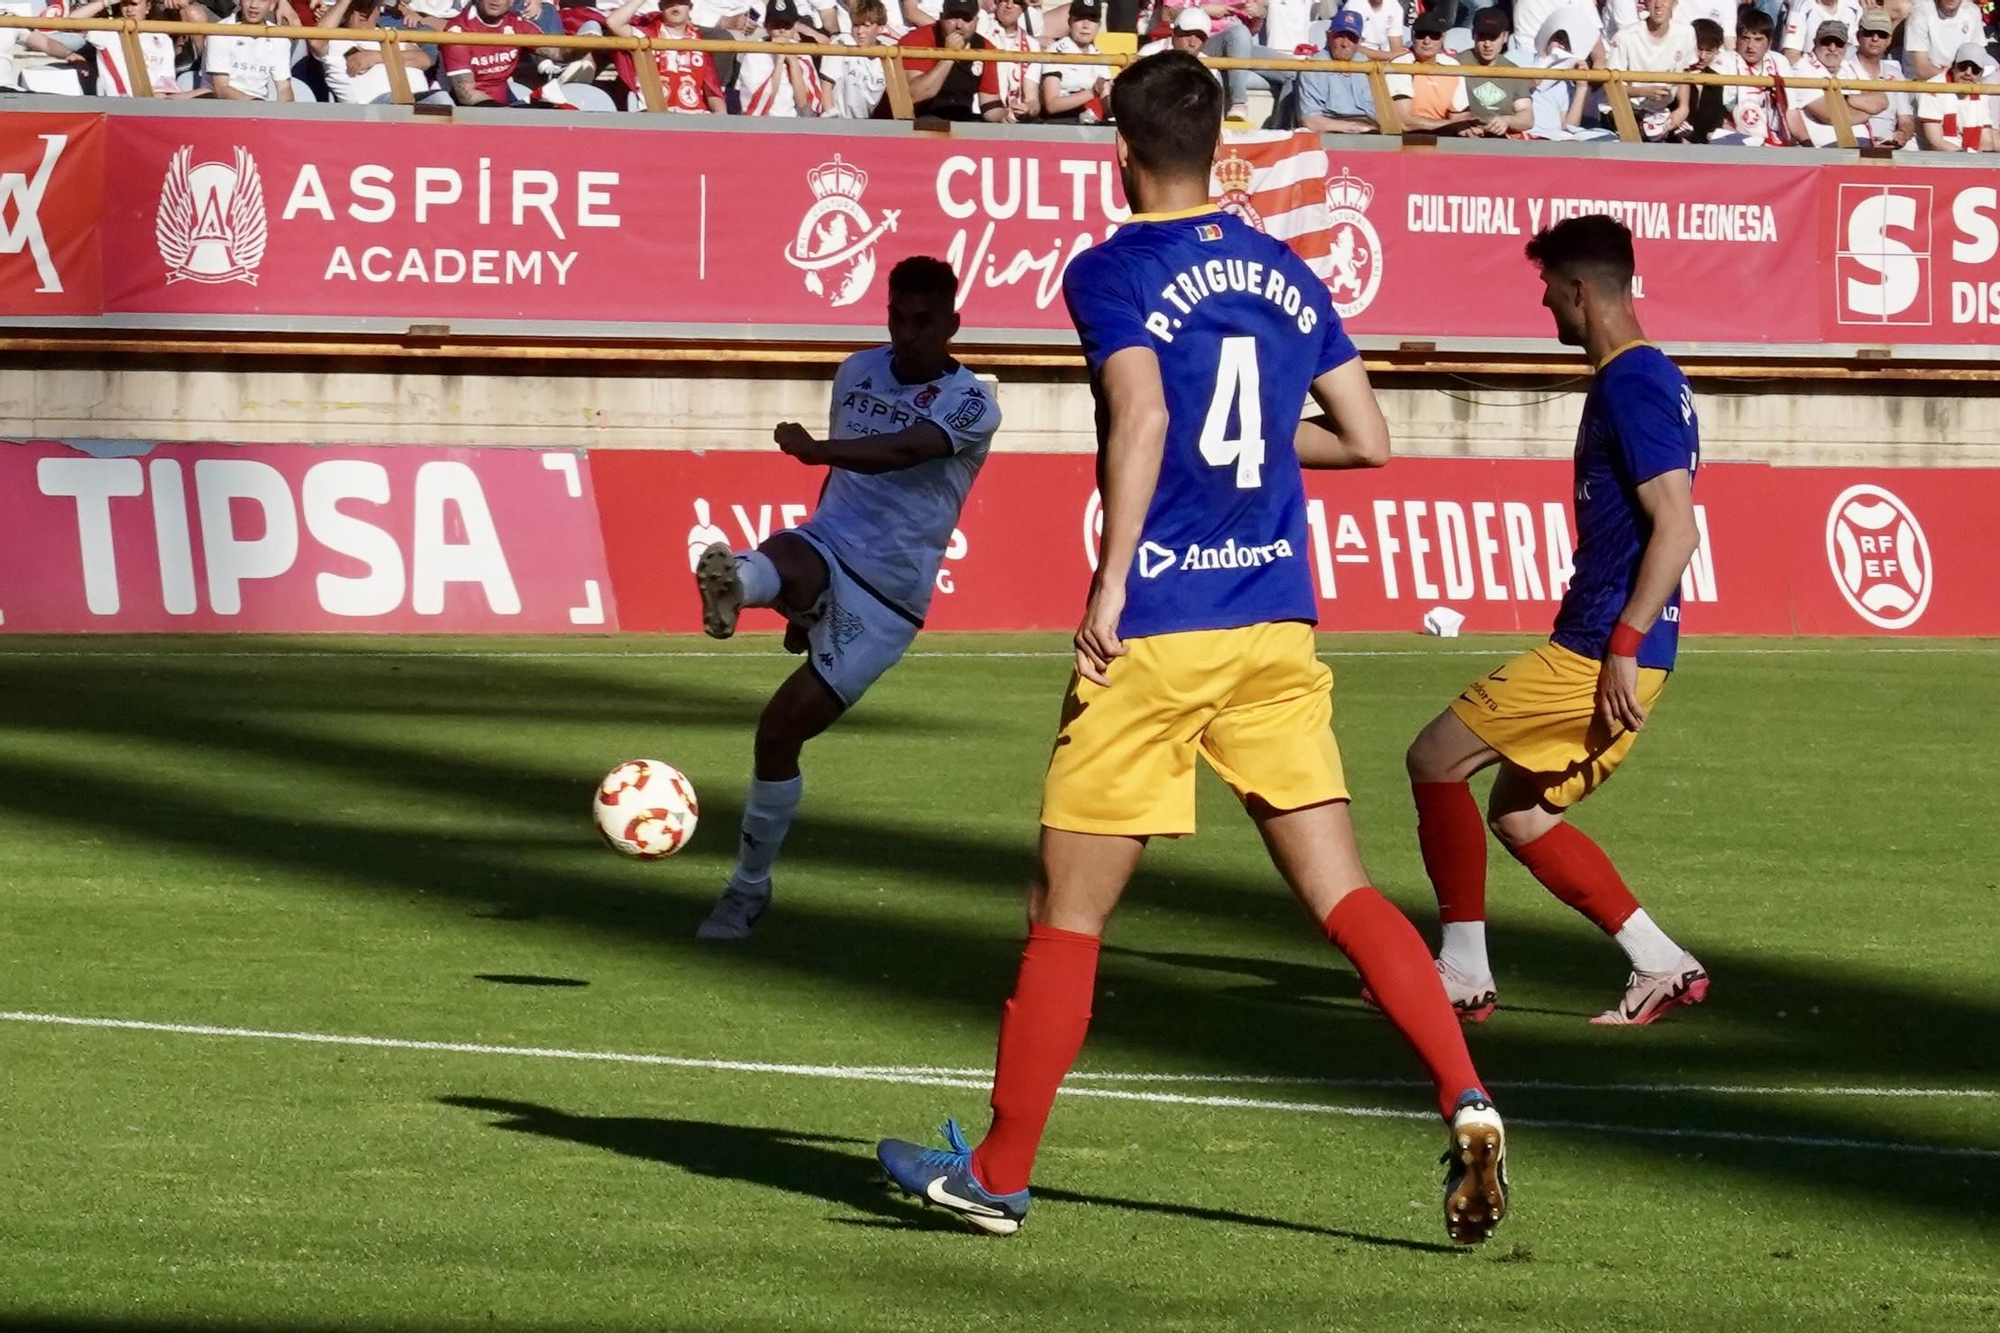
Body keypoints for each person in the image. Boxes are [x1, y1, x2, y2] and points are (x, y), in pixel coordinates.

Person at [874, 49, 1510, 1248]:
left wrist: (1109, 580)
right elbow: (1366, 440)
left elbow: (1144, 411)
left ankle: (998, 1174)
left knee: (1064, 908)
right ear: (1221, 147)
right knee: (1341, 890)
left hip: (1162, 627)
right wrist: (1262, 440)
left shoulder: (1110, 267)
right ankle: (1463, 1092)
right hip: (1272, 620)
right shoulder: (1285, 269)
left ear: (1117, 152)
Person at [1399, 214, 1707, 1031]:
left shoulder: (1633, 382)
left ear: (1579, 290)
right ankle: (1660, 961)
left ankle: (1463, 970)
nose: (1546, 310)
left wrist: (1623, 645)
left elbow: (1678, 528)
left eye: (1548, 293)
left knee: (1433, 757)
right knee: (1520, 813)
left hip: (1599, 647)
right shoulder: (1648, 376)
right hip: (1614, 642)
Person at [690, 257, 999, 941]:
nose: (906, 333)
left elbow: (905, 451)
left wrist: (816, 449)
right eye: (897, 317)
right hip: (831, 541)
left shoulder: (973, 402)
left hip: (890, 595)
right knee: (788, 549)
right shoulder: (857, 370)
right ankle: (742, 585)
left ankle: (748, 884)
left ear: (952, 324)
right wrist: (807, 600)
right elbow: (843, 483)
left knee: (780, 732)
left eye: (923, 321)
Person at [888, 0, 1011, 120]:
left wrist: (1005, 115)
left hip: (962, 117)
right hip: (917, 118)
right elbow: (913, 95)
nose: (959, 25)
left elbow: (989, 103)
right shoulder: (917, 40)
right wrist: (948, 57)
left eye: (966, 19)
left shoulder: (984, 47)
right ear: (941, 17)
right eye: (953, 17)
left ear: (976, 21)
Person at [610, 0, 726, 113]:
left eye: (681, 2)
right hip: (653, 114)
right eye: (669, 2)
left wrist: (720, 113)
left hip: (695, 115)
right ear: (661, 6)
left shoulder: (700, 42)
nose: (675, 5)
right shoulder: (645, 36)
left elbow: (712, 90)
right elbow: (614, 23)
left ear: (690, 7)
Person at [1788, 21, 1886, 144]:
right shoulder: (1802, 68)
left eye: (1839, 43)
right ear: (1815, 42)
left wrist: (1846, 99)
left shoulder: (1850, 66)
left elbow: (1881, 101)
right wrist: (1867, 111)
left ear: (1846, 46)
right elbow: (1831, 115)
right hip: (1826, 147)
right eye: (1826, 42)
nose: (1832, 48)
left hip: (1863, 143)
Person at [1390, 9, 1473, 131]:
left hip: (1447, 133)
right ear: (1413, 36)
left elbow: (1460, 116)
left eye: (1434, 35)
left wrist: (1462, 127)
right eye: (1421, 34)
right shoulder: (1400, 65)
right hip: (1410, 136)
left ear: (1443, 37)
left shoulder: (1452, 66)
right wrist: (1452, 125)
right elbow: (1405, 122)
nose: (1427, 41)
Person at [738, 0, 826, 113]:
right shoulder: (755, 54)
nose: (782, 30)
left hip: (794, 120)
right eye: (776, 26)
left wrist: (792, 61)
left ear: (795, 26)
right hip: (764, 120)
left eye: (787, 25)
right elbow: (757, 105)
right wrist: (779, 61)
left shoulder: (801, 52)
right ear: (767, 27)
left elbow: (804, 105)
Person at [1298, 9, 1380, 131]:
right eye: (1340, 36)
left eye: (1352, 37)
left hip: (1369, 128)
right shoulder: (1312, 67)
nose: (1345, 43)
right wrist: (1354, 128)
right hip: (1330, 132)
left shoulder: (1366, 64)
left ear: (1359, 42)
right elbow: (1311, 121)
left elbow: (1380, 113)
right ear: (1328, 35)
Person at [1460, 8, 1534, 134]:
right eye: (1482, 37)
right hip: (1460, 136)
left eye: (1493, 37)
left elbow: (1527, 118)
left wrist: (1507, 120)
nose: (1487, 44)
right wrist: (1460, 125)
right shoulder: (1454, 65)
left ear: (1505, 37)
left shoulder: (1514, 72)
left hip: (1499, 139)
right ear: (1473, 35)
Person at [1848, 8, 1914, 148]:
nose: (1875, 39)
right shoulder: (1844, 69)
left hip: (1889, 146)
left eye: (1882, 34)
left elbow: (1906, 120)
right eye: (1869, 33)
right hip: (1854, 145)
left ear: (1889, 40)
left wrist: (1903, 134)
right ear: (1858, 36)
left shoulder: (1895, 74)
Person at [1037, 0, 1112, 122]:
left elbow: (1107, 103)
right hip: (1061, 123)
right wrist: (1092, 92)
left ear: (1099, 25)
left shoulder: (1098, 55)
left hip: (1093, 122)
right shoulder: (1056, 52)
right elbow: (1051, 105)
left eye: (1092, 19)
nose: (1086, 25)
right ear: (1069, 22)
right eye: (1080, 18)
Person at [203, 0, 294, 100]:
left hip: (259, 104)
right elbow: (221, 90)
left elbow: (284, 88)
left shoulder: (280, 38)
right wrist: (256, 104)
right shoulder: (219, 32)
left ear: (272, 5)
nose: (254, 5)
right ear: (240, 1)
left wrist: (285, 109)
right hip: (220, 103)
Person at [823, 0, 897, 117]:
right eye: (856, 25)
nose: (860, 31)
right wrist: (830, 114)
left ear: (880, 28)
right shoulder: (843, 42)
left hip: (875, 122)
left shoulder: (890, 49)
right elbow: (826, 83)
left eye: (866, 26)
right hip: (840, 121)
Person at [1915, 43, 1995, 151]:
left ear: (1981, 73)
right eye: (1963, 66)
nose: (1968, 73)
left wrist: (1974, 158)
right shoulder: (1933, 88)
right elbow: (1936, 143)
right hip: (1927, 155)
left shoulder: (1981, 93)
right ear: (1953, 66)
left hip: (1965, 155)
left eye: (1975, 69)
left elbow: (1987, 142)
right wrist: (1967, 157)